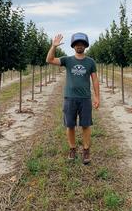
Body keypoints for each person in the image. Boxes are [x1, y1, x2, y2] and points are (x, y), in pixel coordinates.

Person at [46, 32, 100, 164]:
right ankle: (72, 149)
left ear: (85, 46)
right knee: (70, 125)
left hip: (85, 98)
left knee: (86, 125)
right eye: (77, 44)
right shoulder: (67, 60)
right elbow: (49, 60)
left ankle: (86, 151)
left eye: (82, 44)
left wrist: (97, 97)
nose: (79, 46)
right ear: (73, 46)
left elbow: (95, 80)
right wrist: (53, 46)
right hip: (69, 98)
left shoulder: (90, 62)